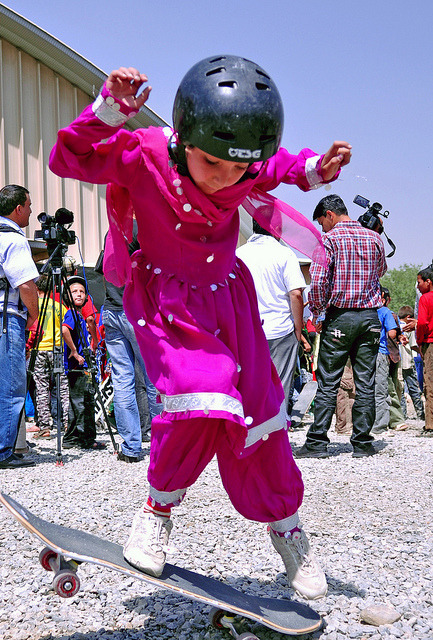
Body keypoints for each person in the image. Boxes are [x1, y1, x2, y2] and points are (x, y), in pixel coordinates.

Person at [49, 55, 352, 599]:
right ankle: (156, 513)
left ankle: (288, 532)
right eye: (213, 163)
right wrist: (110, 109)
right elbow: (67, 158)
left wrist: (319, 169)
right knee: (200, 393)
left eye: (239, 169)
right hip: (169, 302)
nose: (226, 179)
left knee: (262, 409)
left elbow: (284, 166)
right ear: (184, 134)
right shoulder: (143, 155)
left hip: (228, 302)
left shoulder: (242, 163)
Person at [296, 194, 386, 459]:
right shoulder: (374, 238)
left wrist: (318, 312)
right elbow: (380, 271)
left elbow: (320, 281)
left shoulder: (330, 239)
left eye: (322, 222)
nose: (323, 228)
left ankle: (316, 443)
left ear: (329, 214)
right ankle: (362, 443)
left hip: (340, 318)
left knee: (328, 382)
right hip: (370, 318)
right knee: (365, 382)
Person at [101, 222, 162, 462]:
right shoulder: (142, 229)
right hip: (135, 311)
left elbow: (102, 268)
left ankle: (131, 447)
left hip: (112, 309)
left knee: (122, 380)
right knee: (153, 379)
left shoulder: (113, 231)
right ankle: (161, 444)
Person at [236, 219, 306, 415]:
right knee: (280, 387)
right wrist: (298, 329)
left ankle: (251, 433)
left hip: (248, 331)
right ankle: (277, 434)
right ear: (277, 230)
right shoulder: (284, 254)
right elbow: (296, 294)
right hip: (281, 330)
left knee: (251, 384)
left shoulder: (239, 254)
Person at [0, 185, 38, 469]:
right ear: (18, 209)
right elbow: (25, 284)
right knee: (12, 386)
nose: (30, 211)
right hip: (6, 316)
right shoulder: (13, 239)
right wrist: (34, 317)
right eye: (28, 205)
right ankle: (4, 450)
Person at [62, 275, 106, 450]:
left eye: (81, 291)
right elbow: (65, 329)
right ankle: (85, 439)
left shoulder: (79, 315)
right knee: (83, 403)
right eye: (74, 292)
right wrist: (74, 351)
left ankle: (71, 438)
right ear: (67, 295)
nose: (79, 294)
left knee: (77, 402)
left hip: (80, 366)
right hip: (78, 367)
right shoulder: (72, 313)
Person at [32, 275, 70, 439]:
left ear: (37, 288)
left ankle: (45, 426)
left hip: (39, 349)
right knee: (62, 387)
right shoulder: (59, 306)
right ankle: (68, 423)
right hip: (57, 349)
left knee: (41, 388)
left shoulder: (33, 306)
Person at [371, 287, 399, 434]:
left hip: (365, 354)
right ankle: (380, 425)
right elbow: (392, 333)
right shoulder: (385, 312)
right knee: (381, 390)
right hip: (381, 353)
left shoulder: (366, 311)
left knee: (367, 389)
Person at [398, 305, 425, 421]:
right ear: (409, 317)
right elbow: (413, 345)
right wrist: (423, 352)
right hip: (408, 362)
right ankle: (420, 413)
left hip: (398, 363)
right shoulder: (408, 328)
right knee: (413, 388)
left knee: (399, 387)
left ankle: (402, 414)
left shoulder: (395, 325)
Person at [415, 267, 433, 436]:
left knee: (430, 383)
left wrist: (419, 341)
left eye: (419, 282)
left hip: (430, 343)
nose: (418, 286)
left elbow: (421, 323)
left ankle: (430, 425)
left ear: (428, 282)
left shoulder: (425, 299)